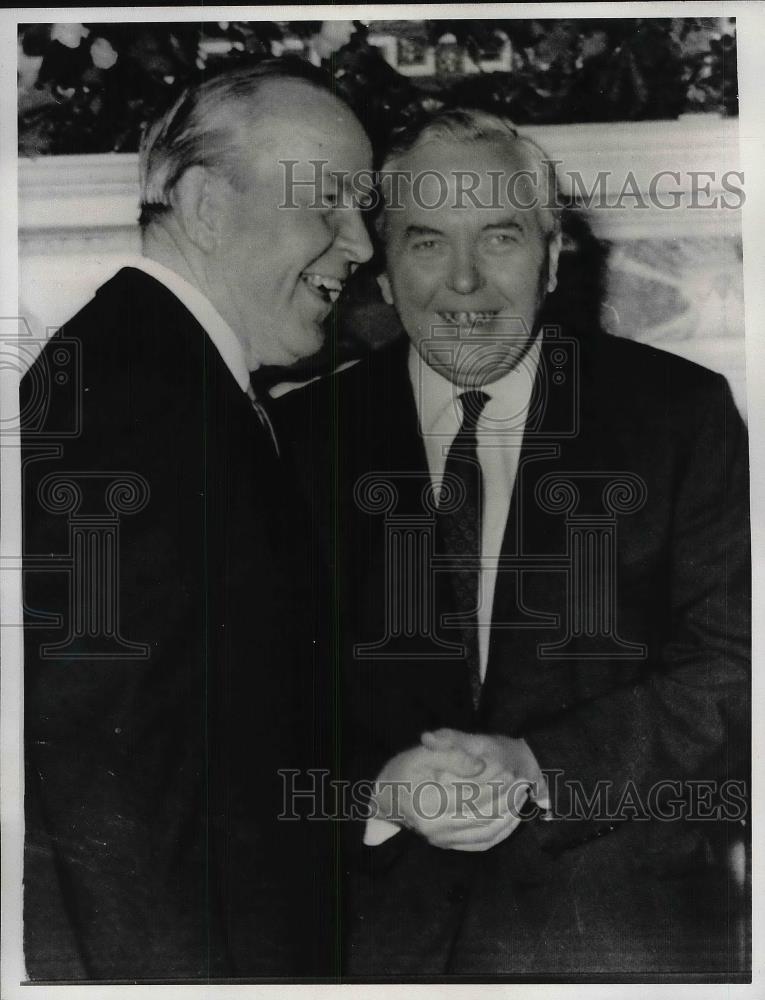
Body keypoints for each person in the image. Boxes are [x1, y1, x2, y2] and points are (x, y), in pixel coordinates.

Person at [278, 107, 750, 976]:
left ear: (551, 256)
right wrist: (377, 793)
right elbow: (245, 698)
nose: (463, 282)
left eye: (497, 237)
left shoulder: (677, 416)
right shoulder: (295, 441)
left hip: (618, 944)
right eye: (425, 242)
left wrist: (538, 766)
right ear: (381, 271)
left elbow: (733, 670)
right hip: (369, 947)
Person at [21, 58, 373, 980]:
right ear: (207, 205)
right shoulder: (134, 400)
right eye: (328, 201)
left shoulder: (176, 380)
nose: (362, 244)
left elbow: (224, 743)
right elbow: (113, 787)